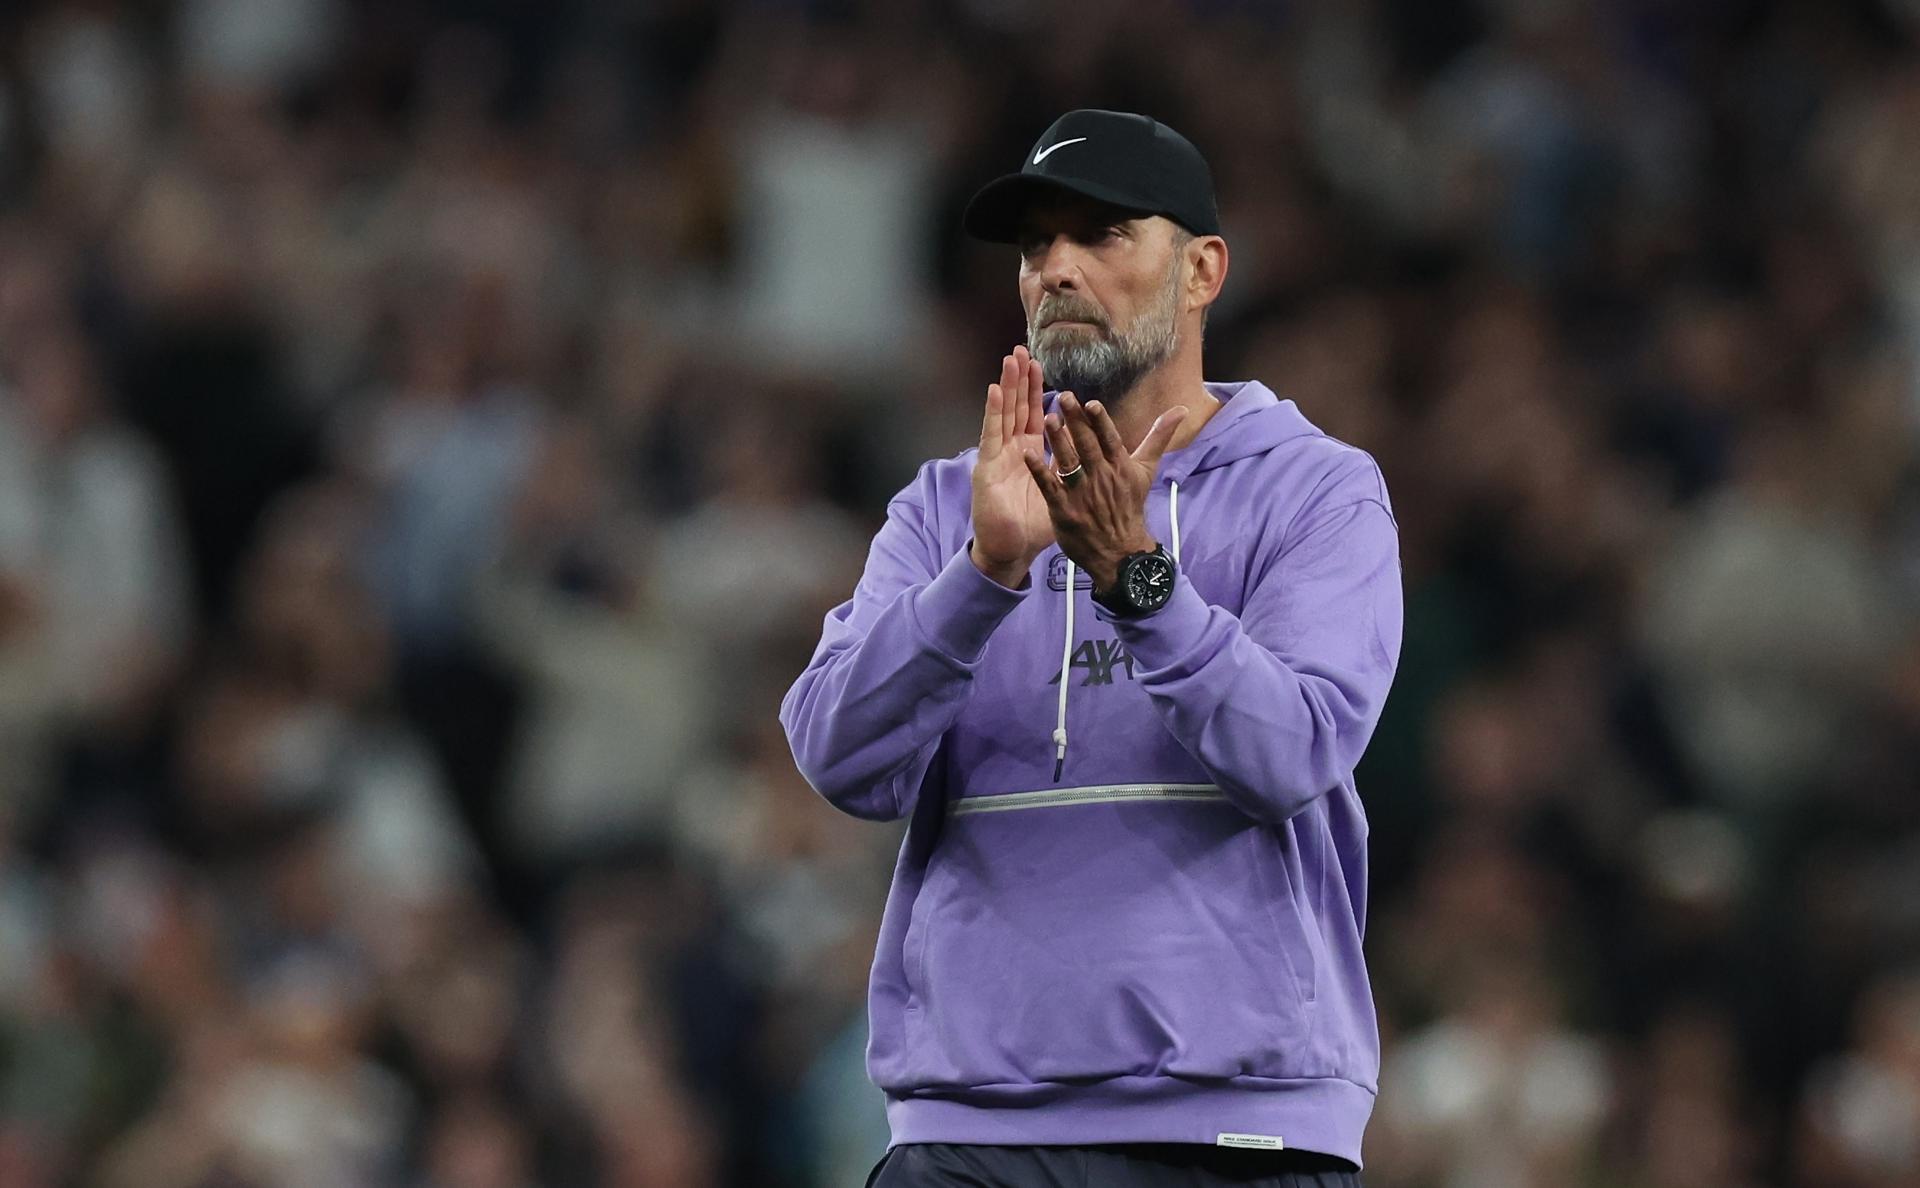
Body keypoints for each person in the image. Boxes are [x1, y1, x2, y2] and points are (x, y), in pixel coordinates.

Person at [781, 109, 1402, 1187]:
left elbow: (1296, 752)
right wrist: (981, 579)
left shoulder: (1316, 491)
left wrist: (1137, 582)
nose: (1057, 269)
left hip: (1231, 1134)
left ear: (1203, 270)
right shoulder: (949, 511)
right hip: (968, 1132)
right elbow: (837, 755)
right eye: (1036, 246)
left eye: (1105, 234)